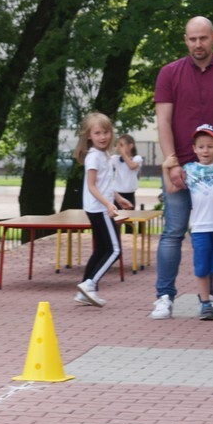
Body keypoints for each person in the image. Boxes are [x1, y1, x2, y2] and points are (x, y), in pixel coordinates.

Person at [151, 16, 213, 319]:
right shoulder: (169, 73)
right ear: (185, 40)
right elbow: (163, 121)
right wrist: (172, 163)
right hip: (181, 166)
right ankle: (164, 296)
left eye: (203, 38)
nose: (198, 44)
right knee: (173, 231)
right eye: (192, 39)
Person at [162, 124, 213, 321]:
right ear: (194, 149)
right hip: (200, 228)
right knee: (201, 268)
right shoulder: (189, 170)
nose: (205, 150)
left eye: (210, 146)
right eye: (201, 146)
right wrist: (165, 167)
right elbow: (171, 189)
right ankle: (204, 304)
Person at [73, 113, 133, 307]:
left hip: (99, 206)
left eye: (106, 132)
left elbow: (104, 184)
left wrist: (118, 198)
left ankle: (84, 292)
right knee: (114, 250)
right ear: (89, 136)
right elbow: (91, 186)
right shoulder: (94, 157)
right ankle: (90, 284)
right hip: (100, 209)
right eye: (97, 133)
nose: (102, 137)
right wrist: (108, 204)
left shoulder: (105, 155)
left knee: (100, 250)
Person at [113, 134, 143, 210]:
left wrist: (123, 153)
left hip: (130, 194)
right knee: (116, 219)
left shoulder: (137, 158)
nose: (119, 147)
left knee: (129, 218)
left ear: (130, 146)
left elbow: (132, 166)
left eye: (121, 145)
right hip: (117, 194)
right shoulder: (115, 159)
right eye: (118, 145)